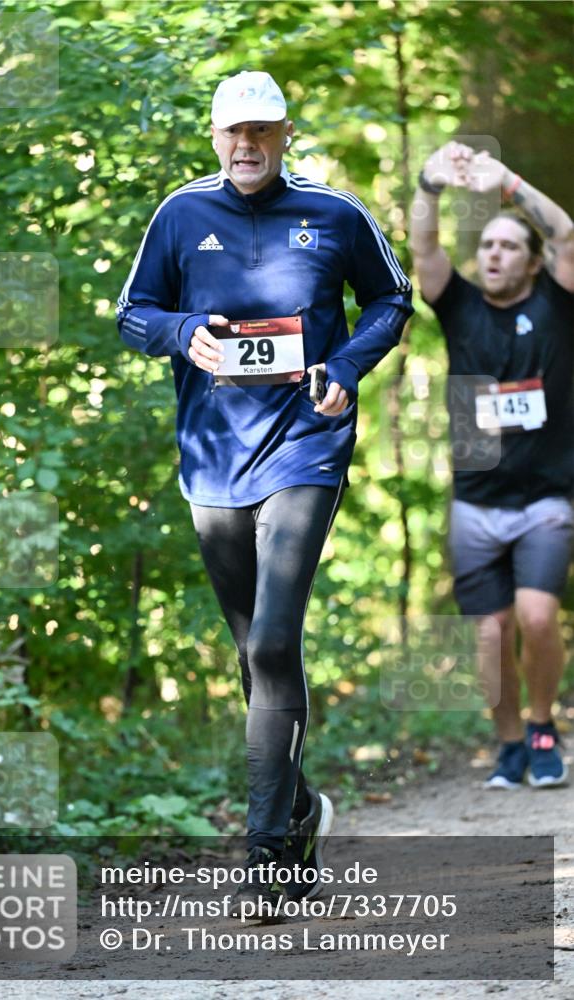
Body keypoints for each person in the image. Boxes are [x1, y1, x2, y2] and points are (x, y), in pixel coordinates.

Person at [117, 70, 412, 912]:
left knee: (275, 642)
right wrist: (183, 335)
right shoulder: (180, 215)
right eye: (231, 133)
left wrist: (347, 369)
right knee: (254, 654)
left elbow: (391, 299)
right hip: (211, 458)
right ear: (214, 138)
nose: (246, 146)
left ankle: (263, 859)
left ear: (286, 133)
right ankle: (300, 808)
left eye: (262, 131)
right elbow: (132, 313)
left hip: (305, 447)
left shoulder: (334, 214)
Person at [409, 141, 574, 790]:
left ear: (533, 265)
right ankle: (506, 743)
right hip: (475, 499)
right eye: (487, 247)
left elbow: (564, 232)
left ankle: (540, 726)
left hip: (544, 497)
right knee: (488, 636)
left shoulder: (556, 306)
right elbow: (422, 250)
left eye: (509, 246)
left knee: (535, 618)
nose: (494, 254)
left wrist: (505, 183)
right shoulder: (459, 307)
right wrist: (428, 184)